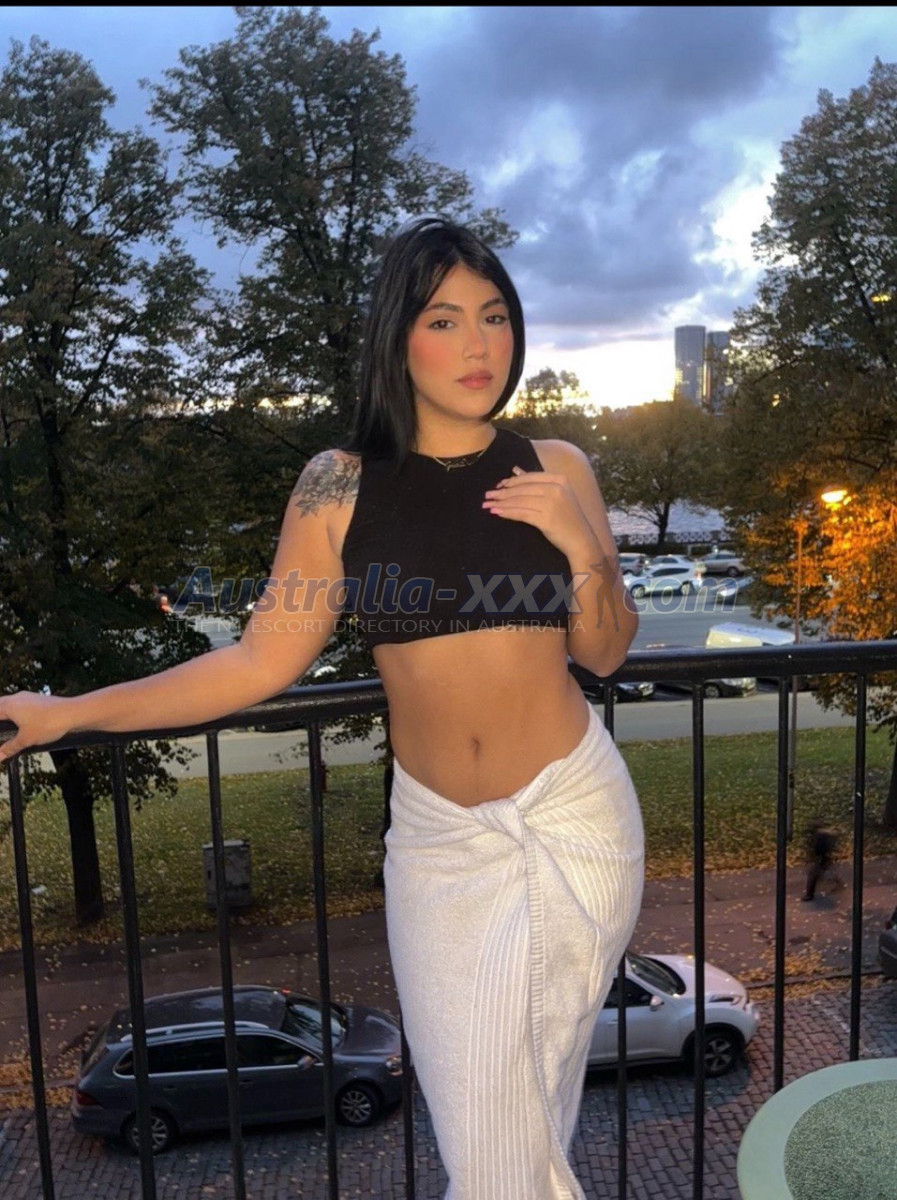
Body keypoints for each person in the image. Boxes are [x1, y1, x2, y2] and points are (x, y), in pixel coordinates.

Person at [0, 218, 644, 1199]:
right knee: (494, 1126)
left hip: (574, 815)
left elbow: (603, 649)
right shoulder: (336, 484)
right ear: (398, 336)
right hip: (438, 844)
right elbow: (256, 662)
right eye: (444, 320)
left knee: (516, 1124)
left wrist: (584, 546)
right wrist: (67, 713)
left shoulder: (556, 466)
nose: (478, 344)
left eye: (494, 316)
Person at [801, 818, 841, 902]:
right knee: (821, 874)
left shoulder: (820, 835)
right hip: (823, 858)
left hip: (821, 858)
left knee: (813, 876)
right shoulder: (823, 834)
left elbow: (818, 848)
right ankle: (838, 883)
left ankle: (809, 895)